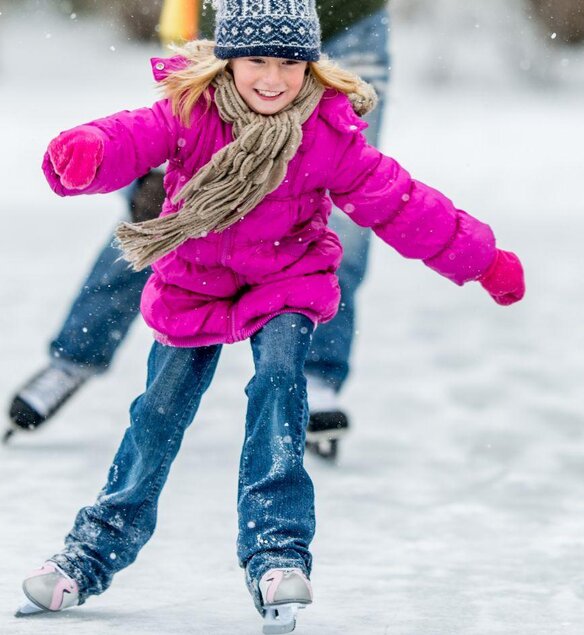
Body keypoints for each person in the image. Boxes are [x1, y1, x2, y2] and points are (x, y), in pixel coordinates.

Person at [15, 0, 524, 632]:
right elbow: (129, 135)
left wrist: (483, 260)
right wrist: (87, 150)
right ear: (228, 58)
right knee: (156, 416)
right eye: (257, 59)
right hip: (193, 285)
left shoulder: (327, 134)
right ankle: (91, 552)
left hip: (286, 280)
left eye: (291, 62)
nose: (273, 78)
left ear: (312, 65)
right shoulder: (188, 114)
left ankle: (277, 551)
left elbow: (401, 202)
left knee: (281, 388)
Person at [6, 0, 394, 461]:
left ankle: (316, 376)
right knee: (171, 203)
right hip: (232, 25)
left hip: (346, 23)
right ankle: (75, 356)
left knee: (338, 202)